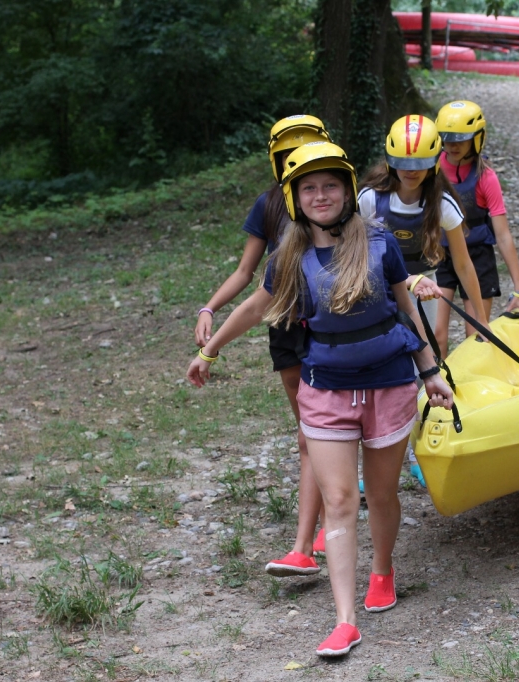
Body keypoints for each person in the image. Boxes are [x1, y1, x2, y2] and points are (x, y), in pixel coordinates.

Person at [187, 141, 454, 657]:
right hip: (326, 391)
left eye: (330, 184)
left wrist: (430, 373)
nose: (320, 195)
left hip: (389, 384)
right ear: (293, 198)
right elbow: (255, 306)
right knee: (339, 501)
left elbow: (407, 313)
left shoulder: (379, 245)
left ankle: (382, 570)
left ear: (349, 190)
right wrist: (211, 350)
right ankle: (345, 619)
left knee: (381, 496)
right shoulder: (289, 256)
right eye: (308, 187)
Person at [193, 115, 330, 577]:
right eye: (288, 155)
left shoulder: (339, 203)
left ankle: (321, 528)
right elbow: (246, 276)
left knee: (317, 432)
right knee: (310, 430)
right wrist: (208, 310)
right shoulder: (270, 206)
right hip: (286, 323)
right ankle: (324, 521)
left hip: (330, 327)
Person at [359, 115, 490, 354]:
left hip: (426, 284)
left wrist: (480, 318)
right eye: (404, 163)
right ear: (390, 160)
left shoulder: (443, 204)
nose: (411, 171)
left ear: (434, 163)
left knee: (425, 351)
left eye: (420, 164)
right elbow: (355, 252)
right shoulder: (369, 198)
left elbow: (463, 263)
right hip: (379, 282)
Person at [434, 100, 519, 354]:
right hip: (441, 254)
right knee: (436, 335)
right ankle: (439, 390)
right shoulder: (432, 169)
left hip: (477, 257)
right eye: (447, 139)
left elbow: (503, 234)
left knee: (474, 336)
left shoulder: (486, 177)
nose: (451, 146)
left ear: (477, 139)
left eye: (460, 140)